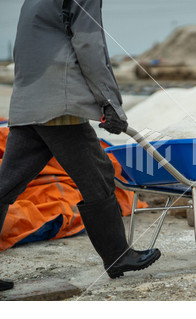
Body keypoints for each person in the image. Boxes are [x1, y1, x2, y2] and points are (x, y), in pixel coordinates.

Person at [0, 0, 160, 291]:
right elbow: (90, 45)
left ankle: (117, 255)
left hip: (27, 102)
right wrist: (110, 103)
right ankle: (118, 256)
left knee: (5, 185)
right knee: (98, 175)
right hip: (58, 102)